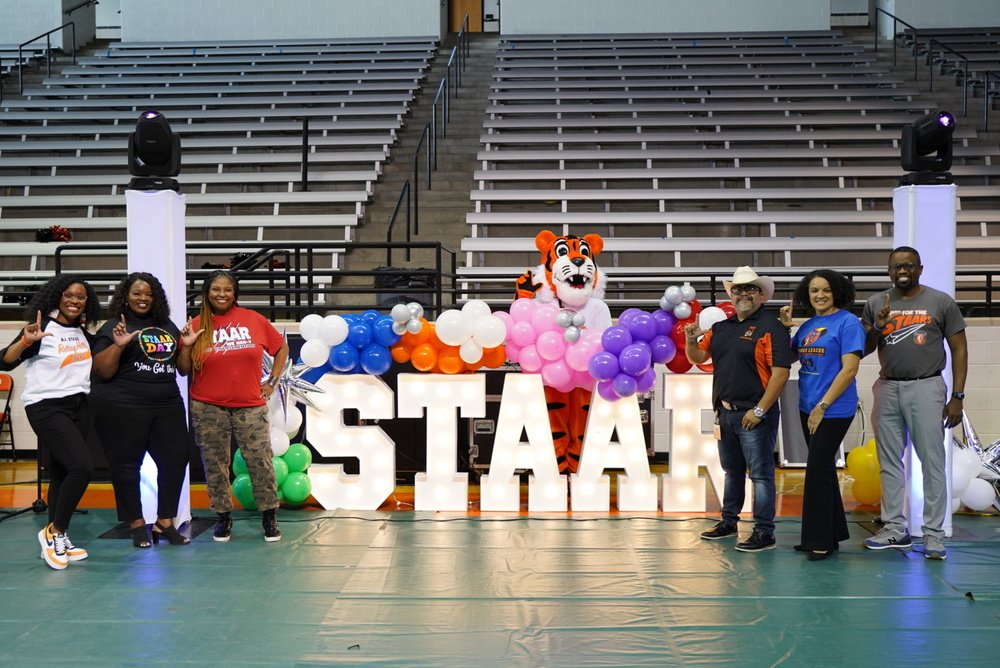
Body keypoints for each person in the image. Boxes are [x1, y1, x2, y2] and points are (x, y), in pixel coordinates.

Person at [861, 246, 967, 560]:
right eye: (896, 267)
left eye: (908, 265)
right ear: (889, 271)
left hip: (928, 386)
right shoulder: (876, 302)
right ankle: (895, 528)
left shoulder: (940, 301)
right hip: (888, 387)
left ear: (919, 269)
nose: (902, 271)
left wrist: (957, 396)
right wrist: (878, 325)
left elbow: (959, 349)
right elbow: (863, 348)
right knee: (890, 463)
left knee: (932, 464)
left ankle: (933, 535)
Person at [0, 275, 112, 570]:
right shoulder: (43, 327)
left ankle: (58, 539)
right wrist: (26, 340)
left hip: (78, 406)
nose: (75, 301)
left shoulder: (80, 332)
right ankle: (54, 532)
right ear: (57, 297)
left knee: (62, 473)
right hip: (47, 407)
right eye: (69, 296)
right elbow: (5, 361)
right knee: (82, 466)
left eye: (81, 297)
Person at [684, 266, 790, 552]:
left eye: (750, 289)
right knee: (732, 472)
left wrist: (759, 411)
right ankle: (728, 523)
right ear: (731, 295)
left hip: (754, 414)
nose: (744, 294)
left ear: (761, 295)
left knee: (761, 475)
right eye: (738, 289)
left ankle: (764, 532)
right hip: (725, 413)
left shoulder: (771, 328)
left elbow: (780, 374)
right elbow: (697, 357)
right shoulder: (721, 328)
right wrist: (690, 338)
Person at [178, 270, 289, 542]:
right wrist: (187, 346)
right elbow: (182, 370)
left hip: (249, 405)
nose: (222, 294)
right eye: (216, 289)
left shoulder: (254, 320)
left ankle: (269, 515)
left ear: (235, 293)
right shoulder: (196, 324)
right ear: (207, 293)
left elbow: (281, 349)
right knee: (215, 464)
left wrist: (272, 381)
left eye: (227, 289)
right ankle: (224, 518)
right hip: (207, 406)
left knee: (259, 461)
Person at [90, 272, 198, 548]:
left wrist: (186, 346)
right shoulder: (115, 326)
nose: (143, 298)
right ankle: (136, 525)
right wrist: (118, 345)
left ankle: (164, 523)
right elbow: (101, 370)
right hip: (123, 406)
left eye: (148, 294)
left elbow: (183, 369)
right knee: (126, 466)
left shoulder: (166, 325)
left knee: (176, 459)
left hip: (166, 405)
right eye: (137, 293)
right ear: (126, 296)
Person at [779, 270, 865, 561]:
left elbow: (850, 369)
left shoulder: (848, 322)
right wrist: (786, 330)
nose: (820, 295)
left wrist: (823, 406)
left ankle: (819, 541)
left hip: (834, 409)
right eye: (814, 290)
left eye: (826, 290)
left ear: (837, 292)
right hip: (807, 407)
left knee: (816, 472)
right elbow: (791, 358)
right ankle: (833, 533)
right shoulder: (808, 327)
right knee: (825, 470)